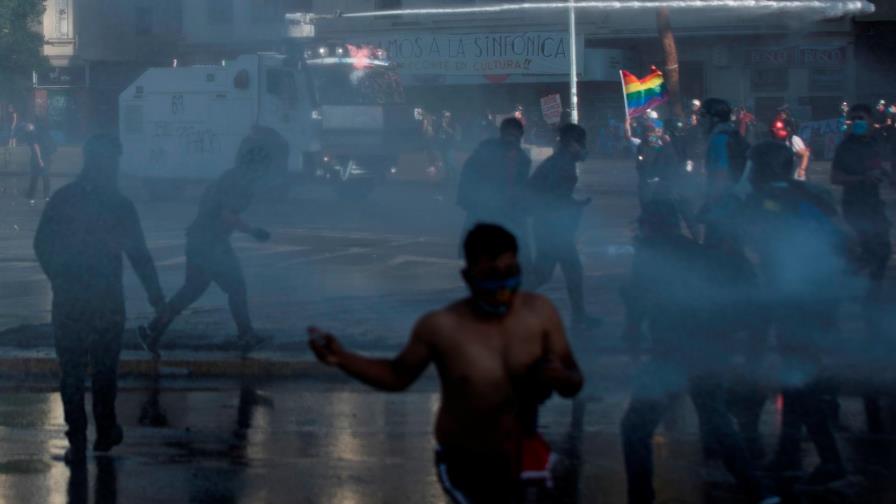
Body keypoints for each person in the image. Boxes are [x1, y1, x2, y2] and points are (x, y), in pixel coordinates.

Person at [308, 224, 584, 503]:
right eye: (491, 274)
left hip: (523, 453)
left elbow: (574, 379)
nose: (502, 287)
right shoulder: (442, 327)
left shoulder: (540, 314)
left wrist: (559, 377)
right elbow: (396, 376)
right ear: (467, 276)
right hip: (465, 461)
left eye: (510, 272)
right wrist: (342, 358)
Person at [619, 200, 778, 504]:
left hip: (672, 354)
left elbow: (638, 301)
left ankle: (640, 497)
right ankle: (758, 491)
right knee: (717, 421)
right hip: (707, 352)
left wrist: (634, 333)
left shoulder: (653, 255)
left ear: (651, 226)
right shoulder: (698, 253)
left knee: (635, 427)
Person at [33, 134, 167, 465]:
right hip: (106, 301)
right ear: (111, 163)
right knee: (105, 370)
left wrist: (59, 278)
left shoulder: (64, 199)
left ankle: (77, 435)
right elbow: (140, 255)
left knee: (72, 371)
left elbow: (41, 244)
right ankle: (105, 430)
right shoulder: (120, 205)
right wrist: (155, 295)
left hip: (69, 301)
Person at [742, 141, 848, 486]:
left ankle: (830, 460)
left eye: (755, 166)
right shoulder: (813, 194)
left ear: (768, 168)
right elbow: (843, 241)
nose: (751, 173)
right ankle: (789, 452)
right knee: (797, 375)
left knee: (800, 381)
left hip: (797, 301)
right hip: (819, 296)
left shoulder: (771, 200)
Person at [138, 132, 274, 358]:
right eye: (263, 168)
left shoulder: (228, 176)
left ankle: (153, 330)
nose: (264, 173)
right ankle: (246, 335)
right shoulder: (241, 184)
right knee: (236, 288)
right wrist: (254, 231)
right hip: (212, 244)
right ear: (257, 167)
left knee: (191, 291)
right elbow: (227, 215)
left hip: (198, 240)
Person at [831, 104, 893, 434]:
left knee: (879, 254)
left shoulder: (873, 145)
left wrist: (882, 175)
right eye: (853, 120)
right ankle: (852, 297)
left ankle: (868, 298)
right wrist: (860, 178)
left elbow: (884, 169)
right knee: (861, 256)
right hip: (855, 209)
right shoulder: (846, 147)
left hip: (875, 209)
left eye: (862, 119)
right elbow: (835, 177)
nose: (858, 124)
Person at [527, 123, 601, 329]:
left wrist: (573, 204)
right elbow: (551, 197)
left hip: (549, 227)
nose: (584, 147)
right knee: (571, 270)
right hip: (552, 229)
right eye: (581, 143)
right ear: (571, 144)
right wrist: (571, 206)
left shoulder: (561, 162)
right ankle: (579, 316)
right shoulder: (561, 165)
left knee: (544, 273)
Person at [456, 117, 532, 263]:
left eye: (515, 134)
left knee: (519, 247)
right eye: (508, 134)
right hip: (485, 205)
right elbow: (468, 175)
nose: (511, 138)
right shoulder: (486, 151)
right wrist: (467, 199)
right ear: (502, 134)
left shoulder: (523, 159)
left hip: (509, 208)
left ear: (520, 135)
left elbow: (522, 186)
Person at [22, 122, 56, 204]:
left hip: (37, 159)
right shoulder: (42, 133)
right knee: (46, 176)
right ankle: (46, 196)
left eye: (26, 126)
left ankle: (31, 196)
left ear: (30, 127)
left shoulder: (32, 134)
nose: (25, 128)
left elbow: (36, 147)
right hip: (47, 157)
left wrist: (39, 159)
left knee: (34, 177)